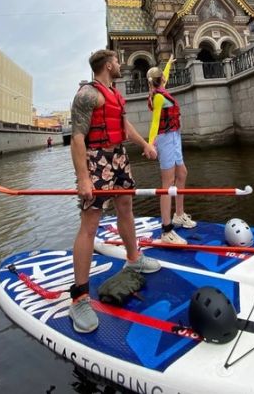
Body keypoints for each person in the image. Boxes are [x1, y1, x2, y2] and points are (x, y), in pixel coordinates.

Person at [69, 49, 161, 333]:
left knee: (126, 209)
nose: (120, 65)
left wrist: (144, 144)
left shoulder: (115, 96)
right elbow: (76, 138)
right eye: (117, 62)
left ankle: (134, 260)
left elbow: (123, 125)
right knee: (90, 225)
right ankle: (80, 297)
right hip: (96, 161)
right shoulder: (87, 95)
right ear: (108, 65)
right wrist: (83, 178)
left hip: (119, 158)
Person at [147, 55, 196, 245]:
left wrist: (168, 64)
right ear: (157, 81)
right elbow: (155, 123)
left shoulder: (161, 89)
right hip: (165, 139)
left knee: (182, 173)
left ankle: (179, 215)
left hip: (175, 136)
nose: (164, 79)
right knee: (167, 182)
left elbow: (164, 76)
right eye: (162, 78)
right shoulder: (158, 97)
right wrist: (150, 144)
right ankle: (166, 230)